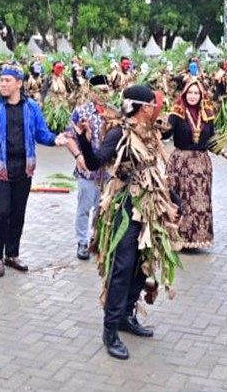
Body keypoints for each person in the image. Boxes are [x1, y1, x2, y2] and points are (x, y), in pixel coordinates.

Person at [60, 84, 181, 360]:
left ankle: (127, 315)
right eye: (150, 105)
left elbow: (153, 171)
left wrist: (174, 199)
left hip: (148, 206)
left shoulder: (149, 133)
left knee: (141, 264)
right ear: (139, 107)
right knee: (123, 266)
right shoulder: (118, 132)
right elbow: (95, 163)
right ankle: (110, 330)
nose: (154, 108)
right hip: (125, 206)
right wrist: (83, 142)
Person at [0, 65, 61, 277]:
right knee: (1, 212)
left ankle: (12, 254)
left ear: (19, 83)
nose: (2, 84)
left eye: (7, 80)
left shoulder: (31, 107)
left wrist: (56, 139)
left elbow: (41, 133)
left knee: (18, 213)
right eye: (1, 80)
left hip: (24, 167)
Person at [163, 78, 227, 250]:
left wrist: (223, 152)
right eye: (190, 92)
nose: (193, 96)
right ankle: (177, 238)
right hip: (180, 164)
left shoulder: (207, 115)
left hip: (201, 166)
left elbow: (211, 139)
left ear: (202, 96)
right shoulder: (177, 113)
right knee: (181, 199)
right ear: (184, 94)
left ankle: (197, 239)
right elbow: (166, 133)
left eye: (196, 93)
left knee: (199, 203)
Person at [64, 74, 115, 260]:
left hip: (108, 171)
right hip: (87, 170)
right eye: (99, 91)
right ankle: (82, 242)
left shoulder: (114, 113)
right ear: (91, 92)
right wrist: (78, 156)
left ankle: (98, 239)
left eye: (105, 91)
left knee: (103, 208)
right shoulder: (81, 112)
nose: (103, 95)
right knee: (85, 208)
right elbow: (69, 137)